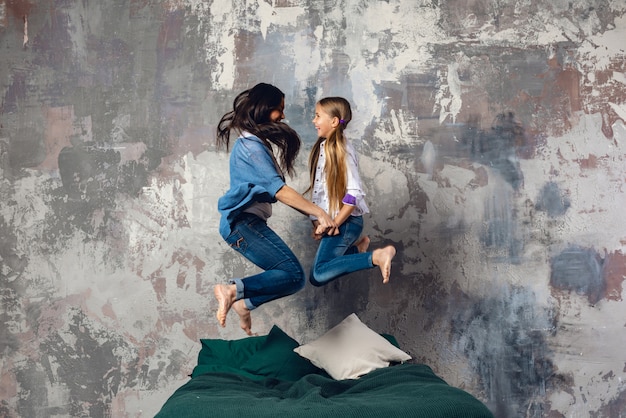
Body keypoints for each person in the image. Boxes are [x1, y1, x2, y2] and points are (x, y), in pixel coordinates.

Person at [213, 83, 337, 335]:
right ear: (263, 109)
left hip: (248, 224)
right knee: (293, 274)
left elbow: (278, 191)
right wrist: (319, 213)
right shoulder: (249, 147)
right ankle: (232, 290)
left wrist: (313, 217)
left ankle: (244, 303)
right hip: (241, 224)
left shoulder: (256, 145)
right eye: (278, 110)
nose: (282, 116)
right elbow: (278, 190)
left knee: (293, 277)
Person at [306, 96, 396, 287]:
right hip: (338, 221)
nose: (314, 120)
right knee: (318, 276)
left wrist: (334, 223)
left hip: (346, 222)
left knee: (320, 272)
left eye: (317, 116)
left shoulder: (342, 150)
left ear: (334, 121)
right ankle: (358, 252)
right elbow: (321, 194)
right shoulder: (324, 147)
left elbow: (353, 193)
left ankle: (376, 256)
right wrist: (317, 222)